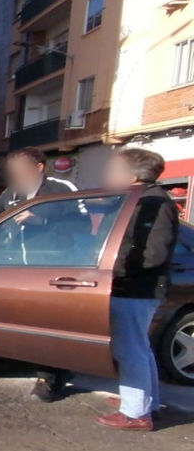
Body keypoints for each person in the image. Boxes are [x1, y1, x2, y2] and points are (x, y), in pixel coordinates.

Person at [94, 148, 178, 431]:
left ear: (132, 176)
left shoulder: (153, 203)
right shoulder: (137, 200)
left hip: (136, 288)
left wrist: (111, 272)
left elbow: (152, 253)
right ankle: (144, 402)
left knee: (129, 349)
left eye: (115, 169)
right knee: (138, 347)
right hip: (131, 286)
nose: (110, 175)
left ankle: (136, 414)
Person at [0, 146, 80, 403]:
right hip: (16, 270)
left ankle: (49, 379)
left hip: (54, 269)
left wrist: (40, 221)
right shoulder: (11, 193)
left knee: (51, 325)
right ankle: (25, 362)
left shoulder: (61, 190)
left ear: (39, 167)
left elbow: (82, 225)